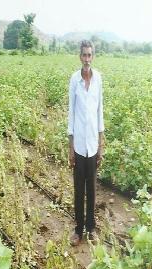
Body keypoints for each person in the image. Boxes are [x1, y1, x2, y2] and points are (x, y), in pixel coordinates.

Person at [67, 40, 104, 246]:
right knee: (78, 190)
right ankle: (78, 230)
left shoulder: (98, 79)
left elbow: (100, 112)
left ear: (93, 56)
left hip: (93, 143)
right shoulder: (74, 80)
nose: (87, 59)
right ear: (80, 56)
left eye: (90, 55)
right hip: (79, 145)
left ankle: (91, 229)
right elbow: (71, 113)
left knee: (92, 189)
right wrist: (70, 147)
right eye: (84, 55)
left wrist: (101, 145)